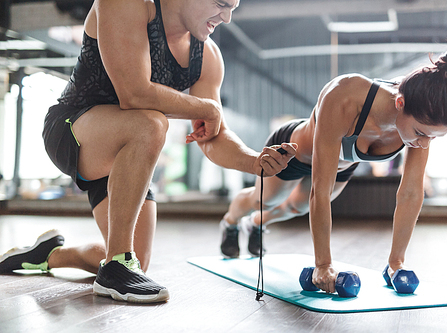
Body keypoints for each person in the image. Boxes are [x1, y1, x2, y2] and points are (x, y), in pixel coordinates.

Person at [0, 0, 296, 303]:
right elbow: (134, 93)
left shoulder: (207, 56)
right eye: (221, 4)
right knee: (151, 124)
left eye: (233, 7)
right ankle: (116, 267)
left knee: (135, 257)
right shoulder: (126, 4)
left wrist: (255, 161)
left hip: (128, 151)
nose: (228, 17)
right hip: (71, 128)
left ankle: (50, 254)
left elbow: (211, 133)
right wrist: (207, 107)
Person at [220, 40, 447, 293]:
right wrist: (323, 264)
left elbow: (411, 192)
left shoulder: (424, 112)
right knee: (266, 199)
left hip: (342, 165)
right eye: (420, 133)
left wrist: (396, 262)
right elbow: (321, 188)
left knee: (296, 207)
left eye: (434, 137)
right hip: (294, 154)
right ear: (400, 104)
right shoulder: (346, 95)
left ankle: (255, 224)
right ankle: (230, 222)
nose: (424, 144)